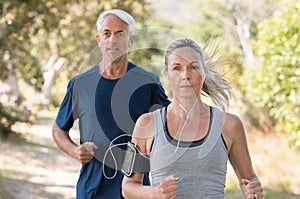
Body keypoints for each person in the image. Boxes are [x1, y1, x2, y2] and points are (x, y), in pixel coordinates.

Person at [122, 38, 263, 199]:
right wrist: (154, 192)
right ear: (166, 74)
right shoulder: (146, 124)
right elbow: (127, 187)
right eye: (177, 68)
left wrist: (252, 189)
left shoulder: (230, 125)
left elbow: (249, 178)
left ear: (204, 72)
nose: (186, 75)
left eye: (193, 67)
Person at [52, 9, 169, 199]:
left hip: (135, 189)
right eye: (107, 33)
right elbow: (58, 128)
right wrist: (75, 150)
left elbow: (171, 123)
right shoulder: (80, 84)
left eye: (119, 33)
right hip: (92, 188)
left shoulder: (148, 83)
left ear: (131, 41)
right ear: (99, 39)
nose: (112, 39)